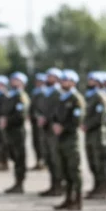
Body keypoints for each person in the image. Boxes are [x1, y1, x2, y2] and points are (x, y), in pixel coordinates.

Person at [52, 70, 85, 210]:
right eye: (62, 80)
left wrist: (63, 127)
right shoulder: (62, 98)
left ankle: (77, 200)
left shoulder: (76, 99)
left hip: (71, 139)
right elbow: (55, 115)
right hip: (61, 138)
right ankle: (68, 199)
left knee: (74, 170)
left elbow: (76, 120)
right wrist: (55, 124)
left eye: (66, 80)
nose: (62, 82)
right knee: (64, 170)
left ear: (73, 82)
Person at [83, 72, 106, 199]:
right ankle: (96, 187)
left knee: (100, 161)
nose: (90, 82)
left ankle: (103, 189)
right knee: (92, 161)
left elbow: (100, 117)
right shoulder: (89, 96)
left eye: (93, 80)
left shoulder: (100, 96)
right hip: (90, 133)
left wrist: (87, 125)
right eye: (89, 80)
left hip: (98, 133)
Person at [36, 68, 64, 197]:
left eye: (51, 77)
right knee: (49, 158)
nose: (48, 79)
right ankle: (53, 185)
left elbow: (58, 111)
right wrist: (40, 117)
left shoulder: (58, 93)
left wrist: (47, 118)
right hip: (46, 128)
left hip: (53, 129)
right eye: (48, 76)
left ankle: (59, 186)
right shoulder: (47, 92)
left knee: (56, 158)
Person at [2, 72, 30, 195]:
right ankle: (17, 182)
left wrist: (7, 120)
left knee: (19, 158)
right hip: (10, 131)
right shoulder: (11, 96)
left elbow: (20, 115)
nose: (14, 82)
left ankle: (20, 183)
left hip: (18, 130)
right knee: (14, 156)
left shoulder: (21, 97)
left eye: (17, 80)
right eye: (13, 80)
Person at [29, 73, 47, 170]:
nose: (38, 83)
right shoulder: (35, 92)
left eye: (41, 81)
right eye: (37, 81)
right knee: (35, 141)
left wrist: (39, 116)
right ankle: (39, 160)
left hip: (40, 121)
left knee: (41, 142)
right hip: (34, 121)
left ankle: (42, 161)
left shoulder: (43, 93)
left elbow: (41, 108)